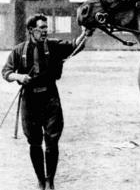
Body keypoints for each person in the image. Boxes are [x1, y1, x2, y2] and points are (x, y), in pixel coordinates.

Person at [2, 14, 91, 190]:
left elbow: (75, 46)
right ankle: (40, 181)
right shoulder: (19, 50)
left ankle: (50, 180)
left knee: (52, 141)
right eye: (41, 28)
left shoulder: (53, 46)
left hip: (50, 99)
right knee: (34, 142)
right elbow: (6, 72)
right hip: (30, 101)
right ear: (30, 30)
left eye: (46, 28)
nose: (45, 31)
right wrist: (19, 76)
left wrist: (85, 33)